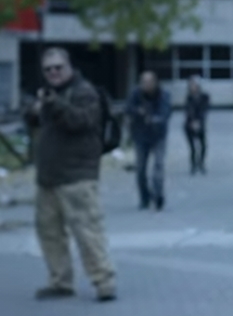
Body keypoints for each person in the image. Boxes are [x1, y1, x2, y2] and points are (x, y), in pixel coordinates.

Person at [24, 47, 116, 302]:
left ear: (69, 67)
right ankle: (60, 281)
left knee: (88, 231)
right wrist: (34, 110)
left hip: (77, 176)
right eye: (48, 69)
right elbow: (34, 122)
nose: (53, 73)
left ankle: (104, 281)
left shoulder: (84, 92)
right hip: (48, 178)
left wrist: (53, 104)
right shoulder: (48, 95)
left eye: (58, 67)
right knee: (49, 232)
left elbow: (81, 121)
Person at [125, 71, 172, 211]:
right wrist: (138, 112)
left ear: (155, 82)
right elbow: (128, 109)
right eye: (144, 82)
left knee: (158, 166)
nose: (147, 85)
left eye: (149, 82)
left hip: (158, 136)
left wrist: (154, 119)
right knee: (140, 169)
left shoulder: (163, 95)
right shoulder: (135, 94)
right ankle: (144, 197)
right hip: (140, 136)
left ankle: (158, 195)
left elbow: (165, 112)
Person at [184, 75, 210, 175]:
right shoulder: (189, 98)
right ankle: (193, 165)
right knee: (192, 147)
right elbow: (188, 111)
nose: (193, 87)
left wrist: (199, 122)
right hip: (189, 125)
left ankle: (201, 163)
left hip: (200, 124)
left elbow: (204, 110)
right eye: (191, 85)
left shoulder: (205, 97)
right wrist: (192, 122)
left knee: (203, 146)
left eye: (195, 85)